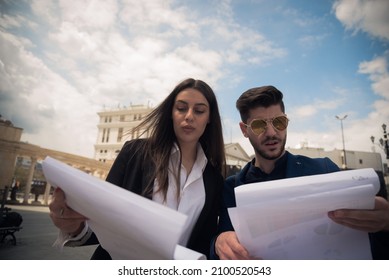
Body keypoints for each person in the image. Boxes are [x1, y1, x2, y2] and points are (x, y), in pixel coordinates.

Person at [49, 78, 226, 259]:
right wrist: (74, 226)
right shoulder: (135, 153)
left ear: (209, 117)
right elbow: (103, 219)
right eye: (181, 108)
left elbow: (204, 240)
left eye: (199, 110)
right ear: (171, 113)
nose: (189, 116)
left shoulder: (214, 177)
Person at [211, 85, 389, 260]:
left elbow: (365, 242)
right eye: (259, 125)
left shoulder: (323, 170)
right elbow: (223, 244)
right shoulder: (232, 188)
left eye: (279, 122)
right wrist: (218, 243)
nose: (271, 132)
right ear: (244, 130)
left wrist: (385, 223)